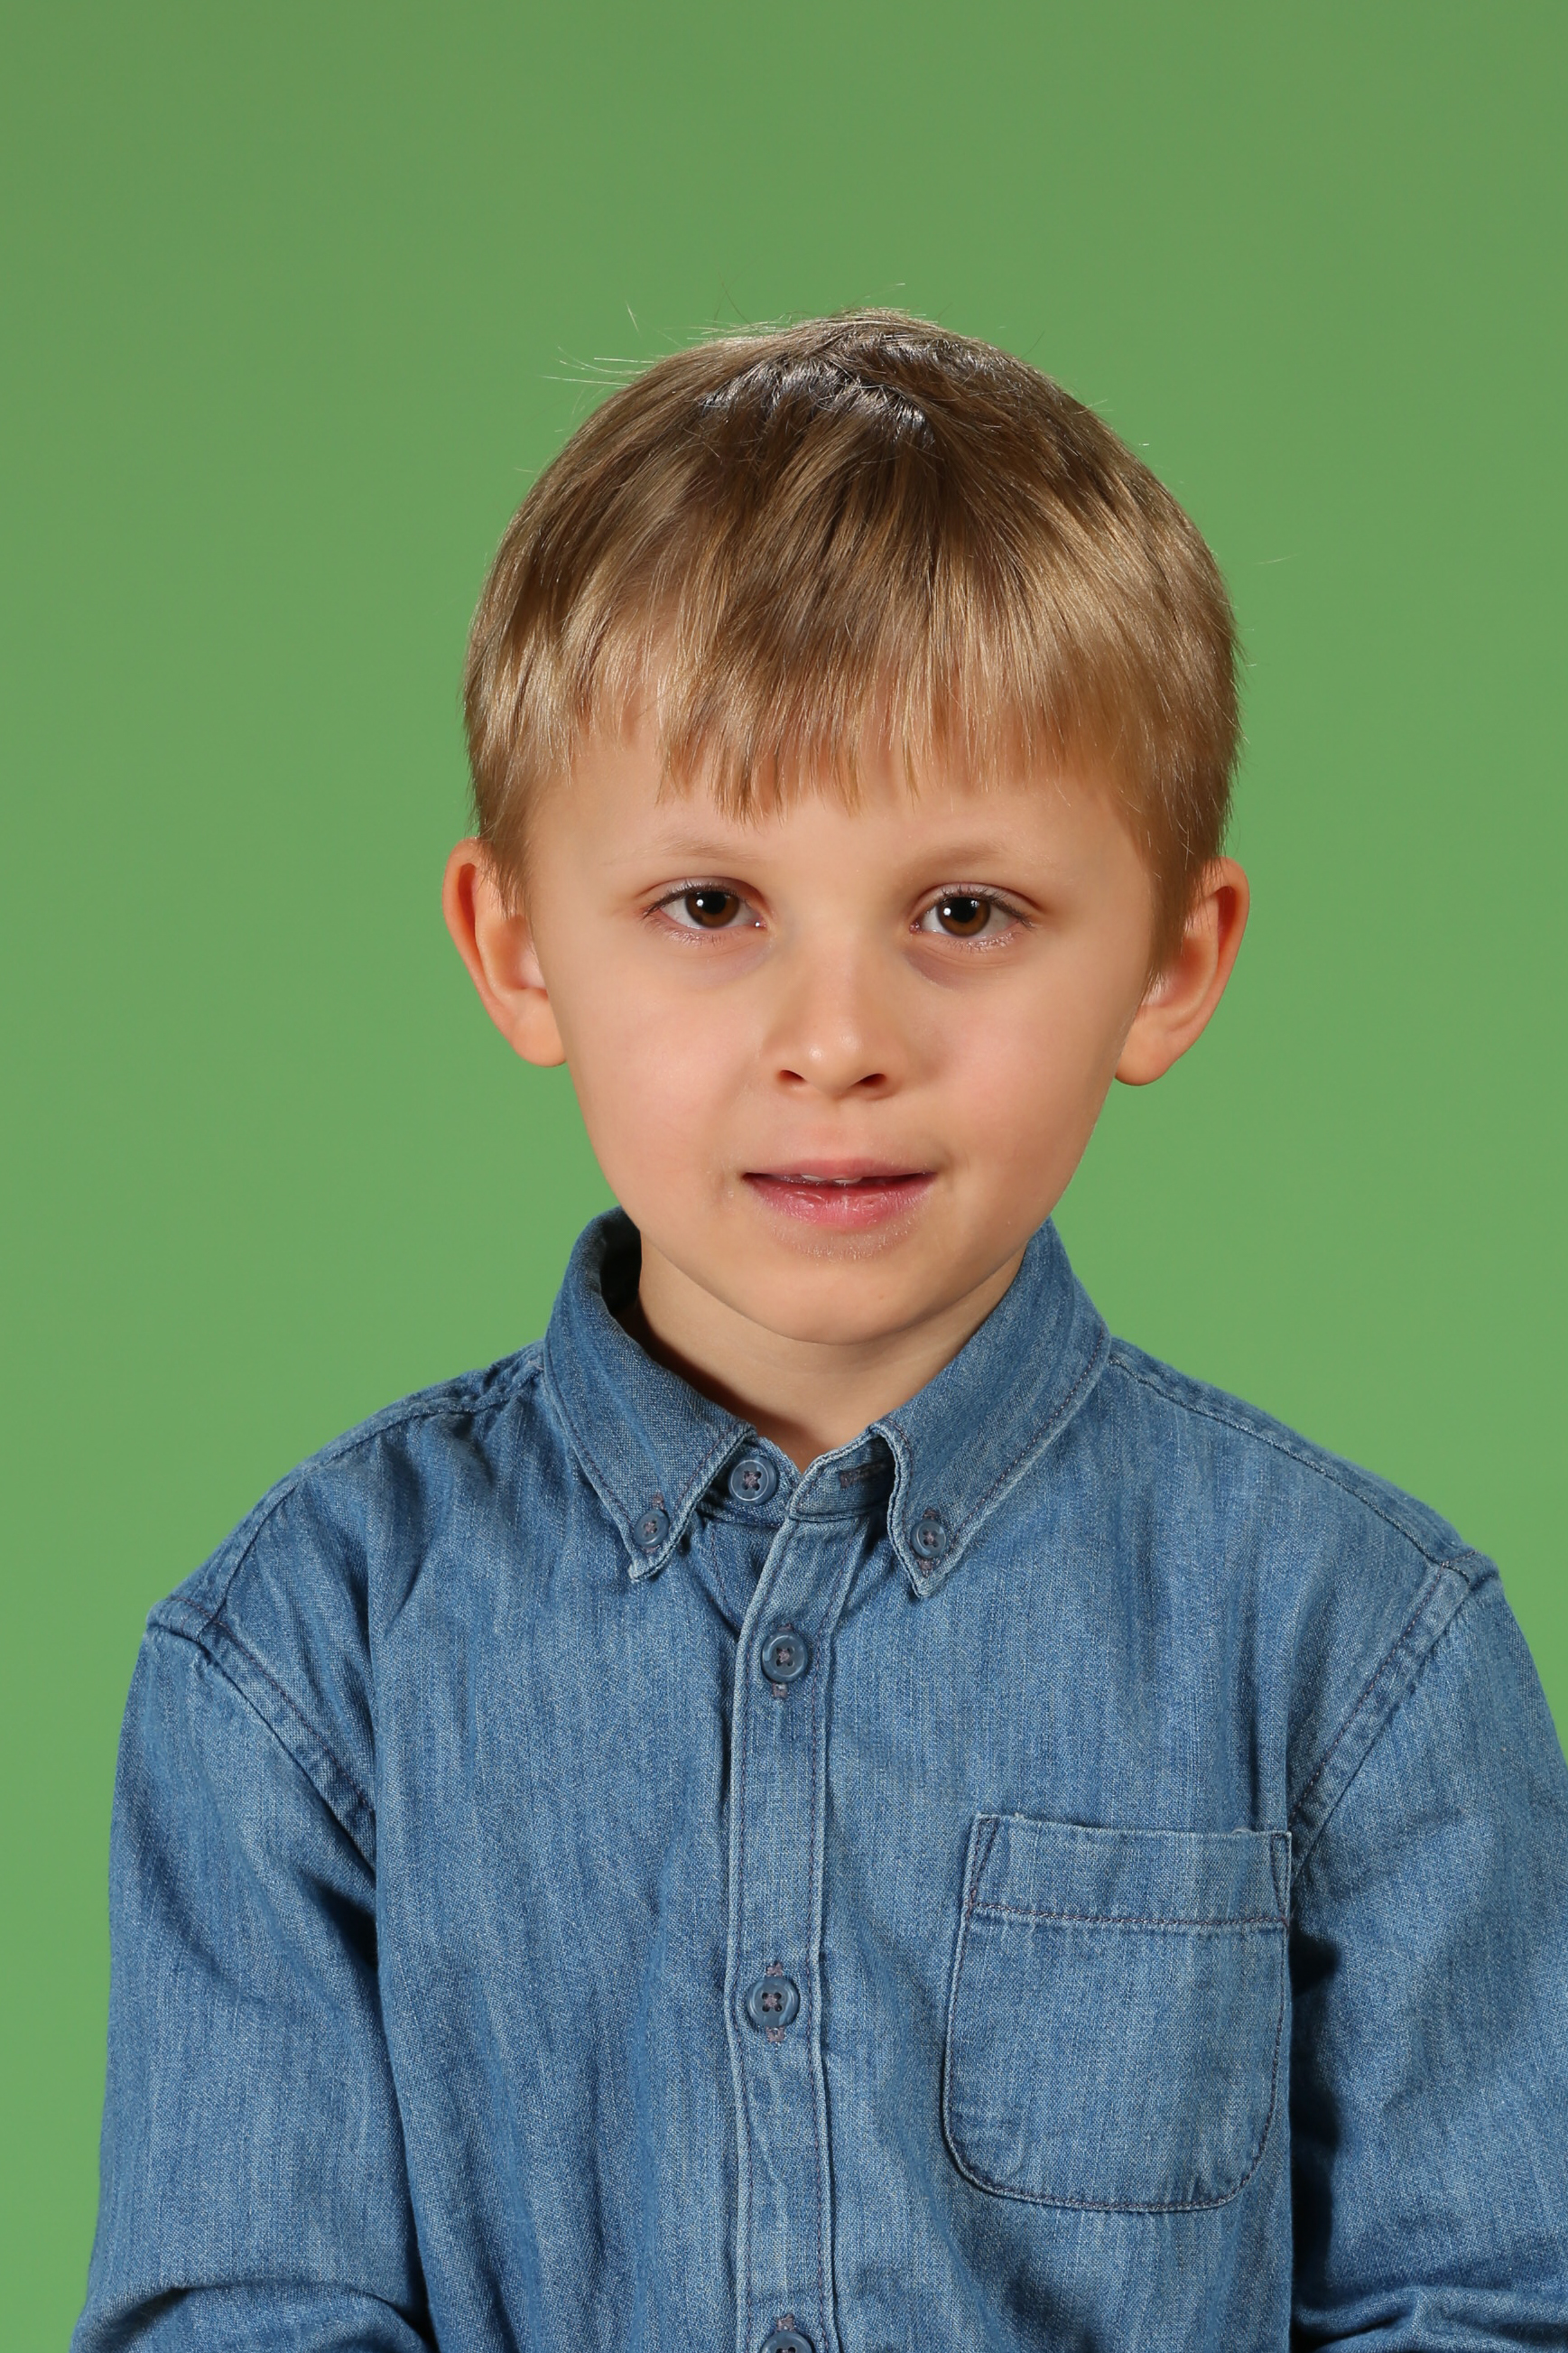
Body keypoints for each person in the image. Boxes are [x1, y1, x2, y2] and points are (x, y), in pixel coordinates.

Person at [76, 313, 1568, 2352]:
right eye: (710, 905)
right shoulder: (297, 1662)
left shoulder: (1355, 1649)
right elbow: (240, 2317)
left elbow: (1485, 2301)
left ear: (1169, 959)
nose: (838, 1041)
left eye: (963, 912)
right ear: (517, 947)